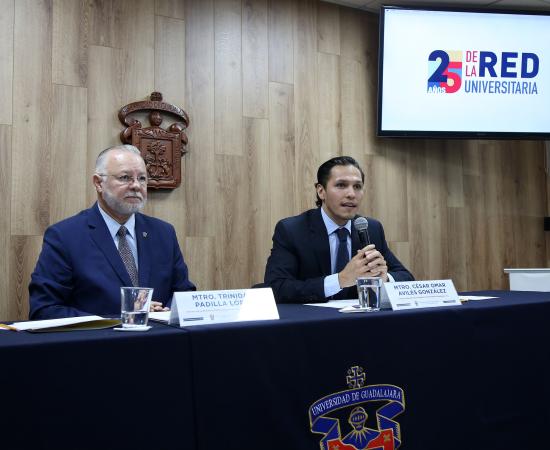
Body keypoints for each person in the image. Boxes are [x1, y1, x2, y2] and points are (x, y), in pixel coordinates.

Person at [29, 145, 195, 319]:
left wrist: (167, 313)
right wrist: (124, 314)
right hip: (99, 336)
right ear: (98, 183)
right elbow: (44, 309)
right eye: (125, 177)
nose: (136, 186)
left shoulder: (163, 233)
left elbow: (184, 295)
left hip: (160, 335)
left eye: (142, 178)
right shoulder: (65, 236)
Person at [264, 156, 413, 303]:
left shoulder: (370, 228)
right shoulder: (292, 230)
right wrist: (340, 280)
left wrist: (384, 278)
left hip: (360, 317)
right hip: (312, 316)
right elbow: (277, 287)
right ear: (321, 191)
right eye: (341, 185)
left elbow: (406, 278)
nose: (351, 194)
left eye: (357, 186)